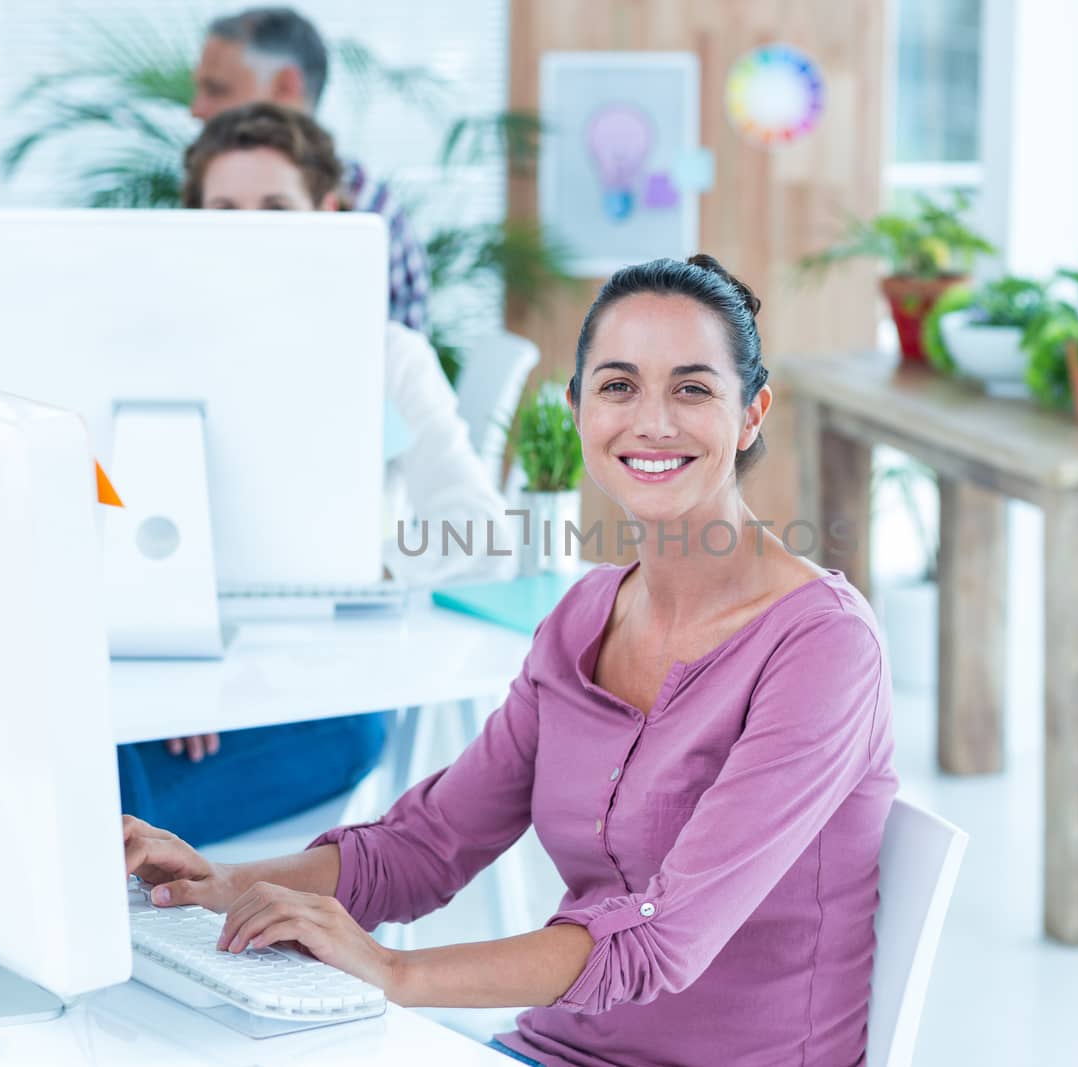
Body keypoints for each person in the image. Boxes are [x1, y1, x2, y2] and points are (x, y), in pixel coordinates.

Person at [123, 254, 899, 1066]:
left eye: (694, 388)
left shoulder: (822, 646)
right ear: (577, 409)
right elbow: (425, 844)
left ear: (751, 415)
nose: (654, 422)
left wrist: (390, 969)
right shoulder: (582, 618)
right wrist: (218, 883)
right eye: (618, 386)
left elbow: (662, 938)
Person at [116, 102, 511, 846]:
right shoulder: (152, 355)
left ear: (329, 215)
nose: (250, 232)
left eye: (275, 207)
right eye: (224, 210)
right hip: (177, 676)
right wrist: (185, 677)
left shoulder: (388, 356)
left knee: (99, 795)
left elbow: (482, 530)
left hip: (325, 688)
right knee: (81, 750)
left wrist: (358, 564)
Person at [192, 7, 429, 331]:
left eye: (217, 89)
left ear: (287, 87)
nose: (196, 109)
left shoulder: (365, 210)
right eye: (224, 210)